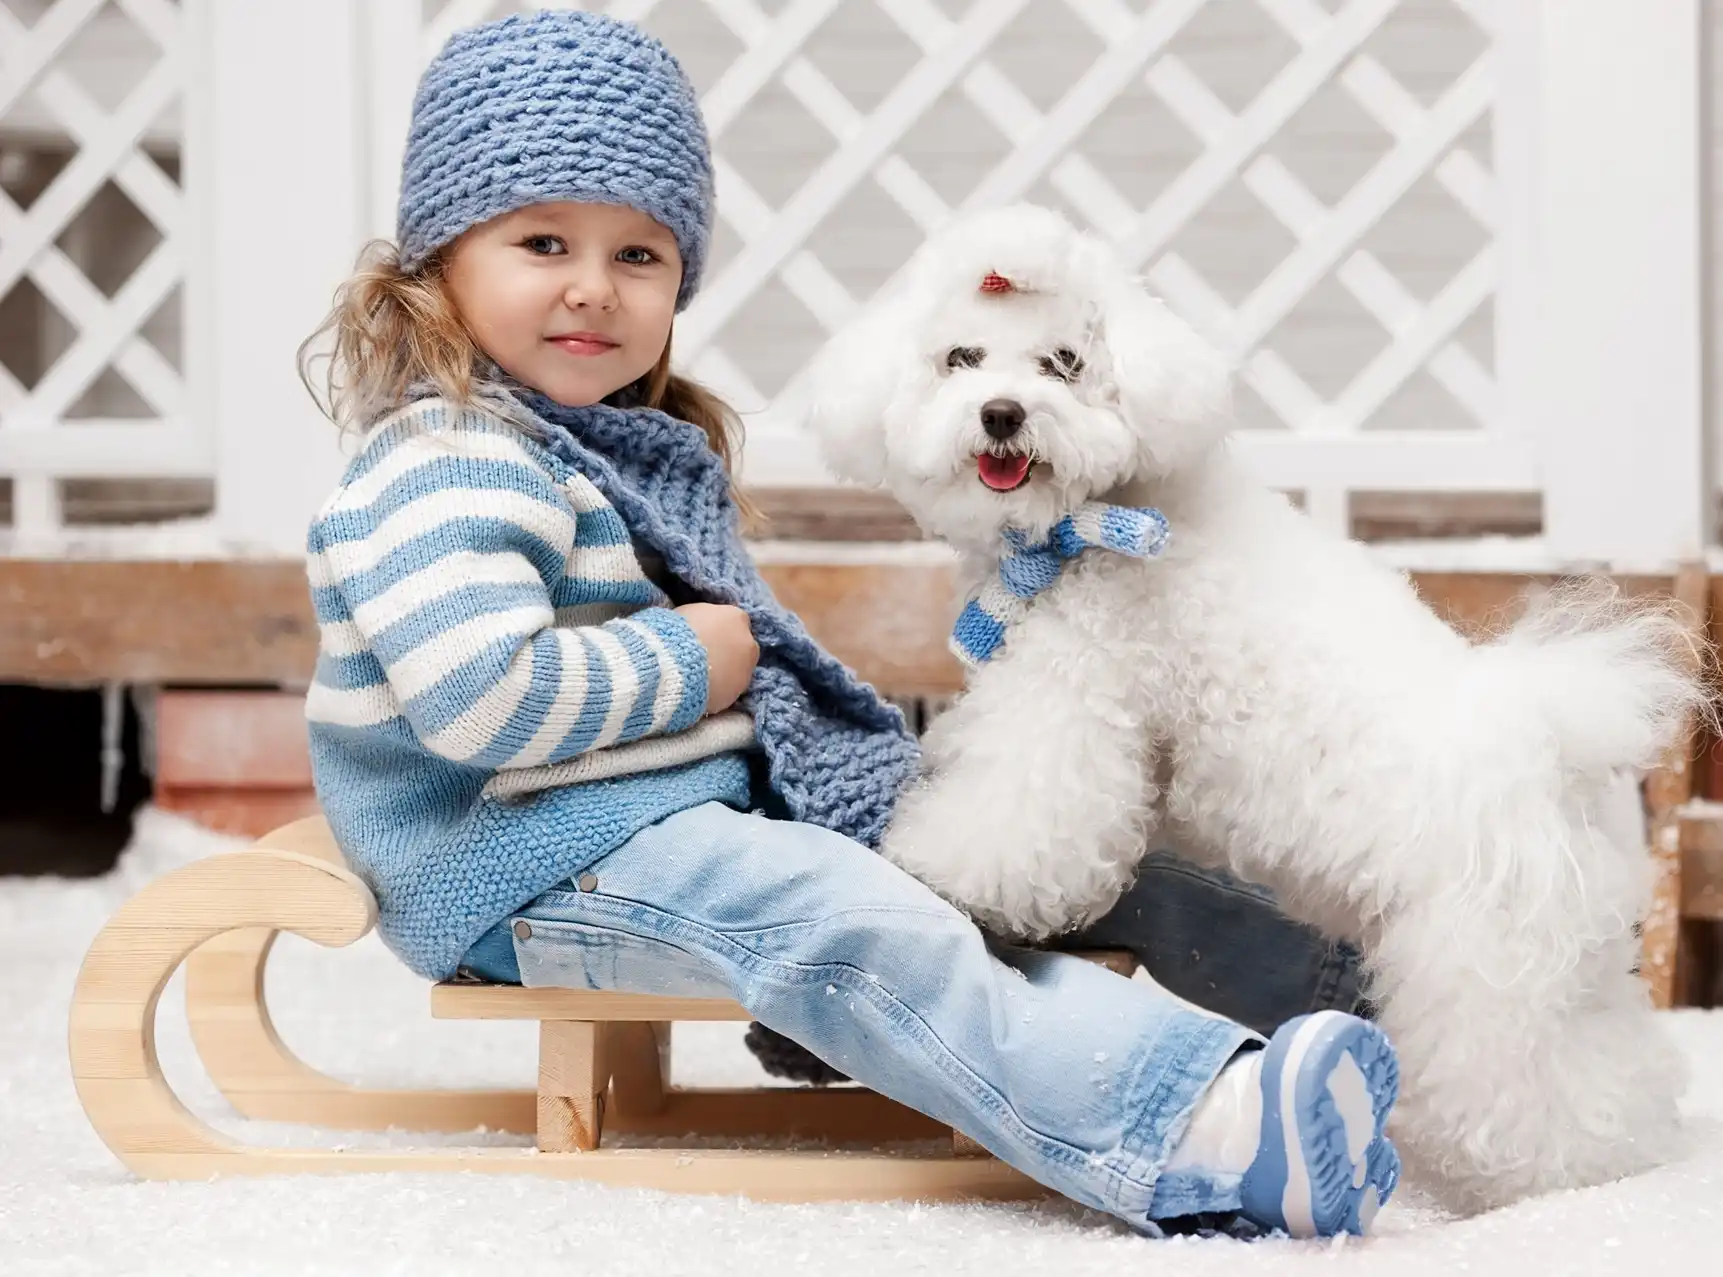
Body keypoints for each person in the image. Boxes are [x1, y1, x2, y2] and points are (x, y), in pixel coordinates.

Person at [299, 9, 1399, 1239]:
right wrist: (693, 657)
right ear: (439, 260)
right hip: (524, 861)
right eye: (543, 241)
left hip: (648, 823)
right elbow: (479, 696)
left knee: (1010, 858)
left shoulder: (604, 447)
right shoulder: (444, 459)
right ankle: (1198, 1124)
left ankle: (1357, 1010)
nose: (594, 287)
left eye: (641, 254)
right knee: (854, 922)